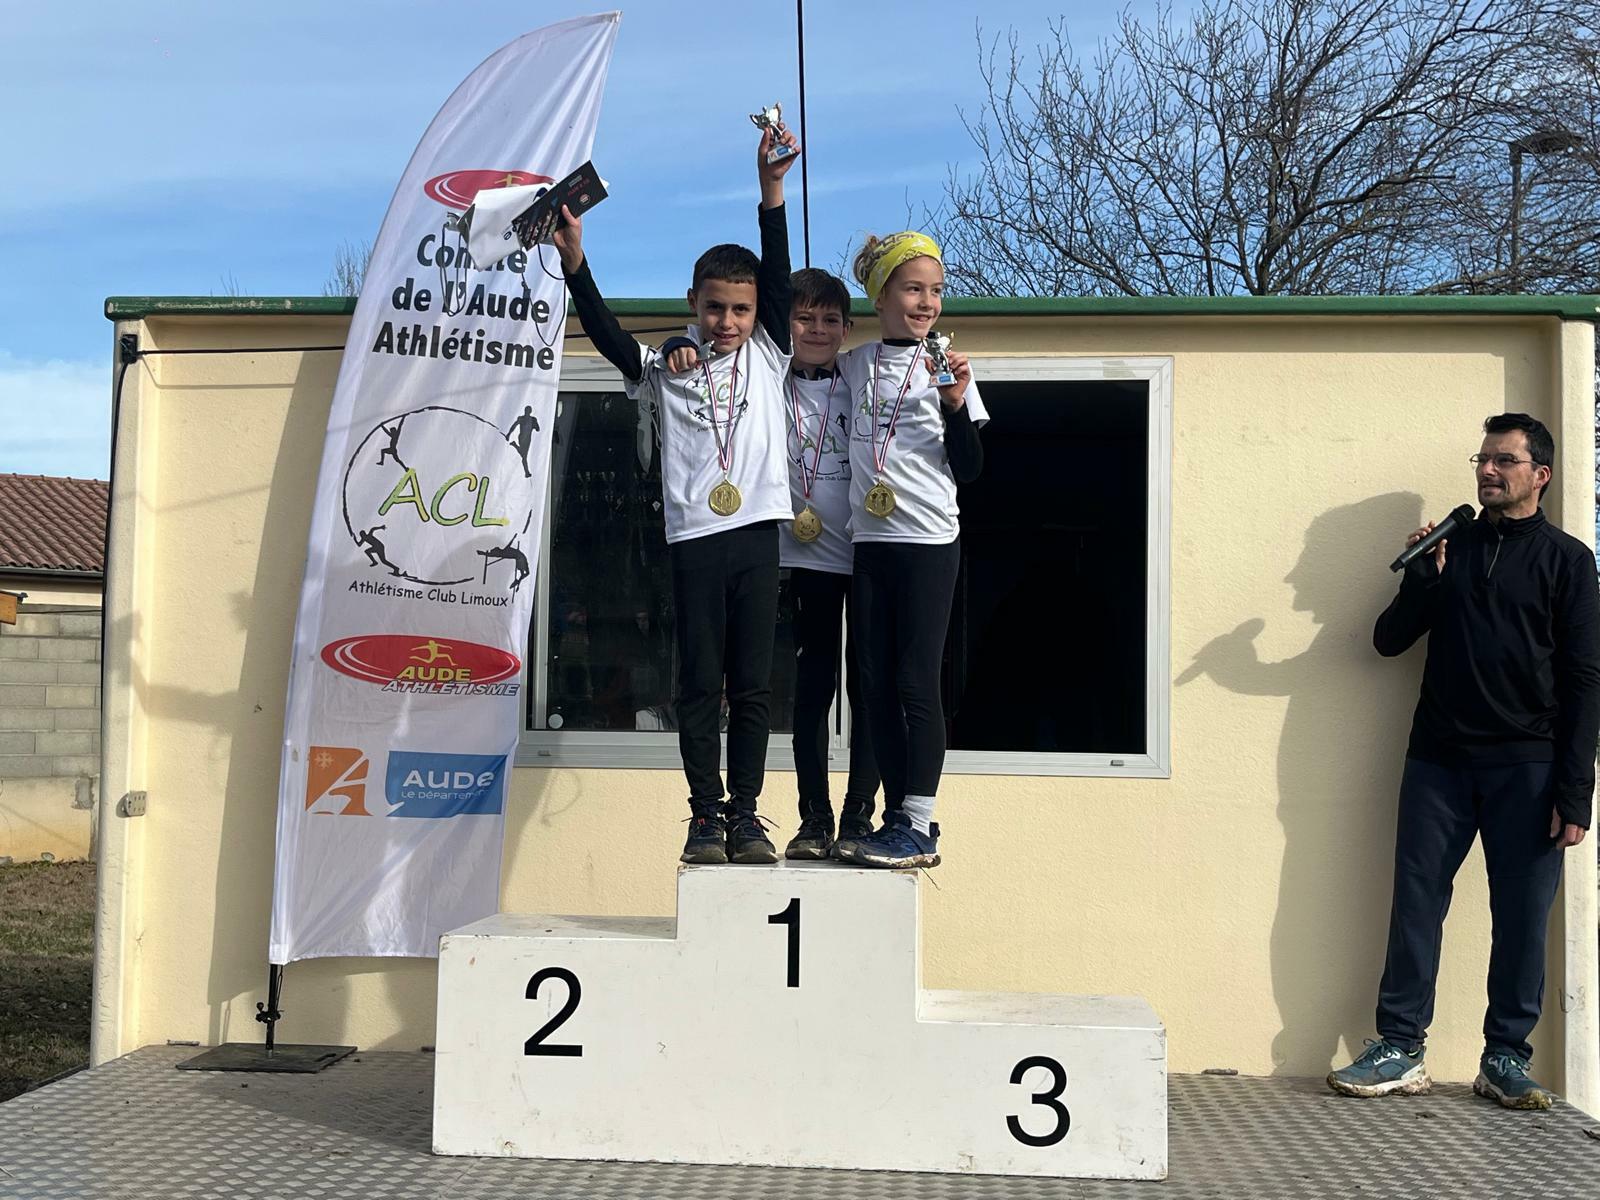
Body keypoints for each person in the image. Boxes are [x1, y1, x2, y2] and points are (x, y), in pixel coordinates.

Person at [1328, 413, 1600, 1109]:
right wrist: (1422, 578)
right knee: (1416, 904)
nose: (1487, 470)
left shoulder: (1568, 561)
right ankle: (1399, 1047)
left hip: (1529, 769)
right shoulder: (1451, 549)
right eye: (1482, 459)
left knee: (1522, 918)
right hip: (1438, 762)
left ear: (1539, 475)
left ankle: (1505, 1056)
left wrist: (1575, 791)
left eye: (1504, 460)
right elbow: (1388, 641)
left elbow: (1584, 679)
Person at [553, 124, 800, 866]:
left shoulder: (771, 352)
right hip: (694, 539)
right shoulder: (665, 365)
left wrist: (771, 191)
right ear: (693, 301)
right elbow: (607, 337)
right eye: (716, 307)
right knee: (697, 682)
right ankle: (705, 816)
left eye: (740, 310)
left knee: (750, 686)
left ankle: (748, 816)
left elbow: (779, 274)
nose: (728, 322)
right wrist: (576, 266)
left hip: (756, 534)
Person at [834, 232, 987, 869]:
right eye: (913, 288)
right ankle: (898, 818)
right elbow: (789, 350)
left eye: (936, 291)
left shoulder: (949, 367)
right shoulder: (854, 363)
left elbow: (971, 469)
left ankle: (919, 820)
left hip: (928, 542)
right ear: (880, 297)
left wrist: (953, 406)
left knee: (914, 681)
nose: (927, 302)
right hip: (870, 541)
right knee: (871, 686)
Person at [780, 267, 880, 860]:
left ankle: (859, 814)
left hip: (866, 549)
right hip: (805, 556)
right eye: (803, 317)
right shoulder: (767, 377)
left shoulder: (862, 375)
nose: (816, 329)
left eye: (829, 319)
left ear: (847, 328)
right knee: (813, 687)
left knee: (868, 684)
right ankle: (814, 818)